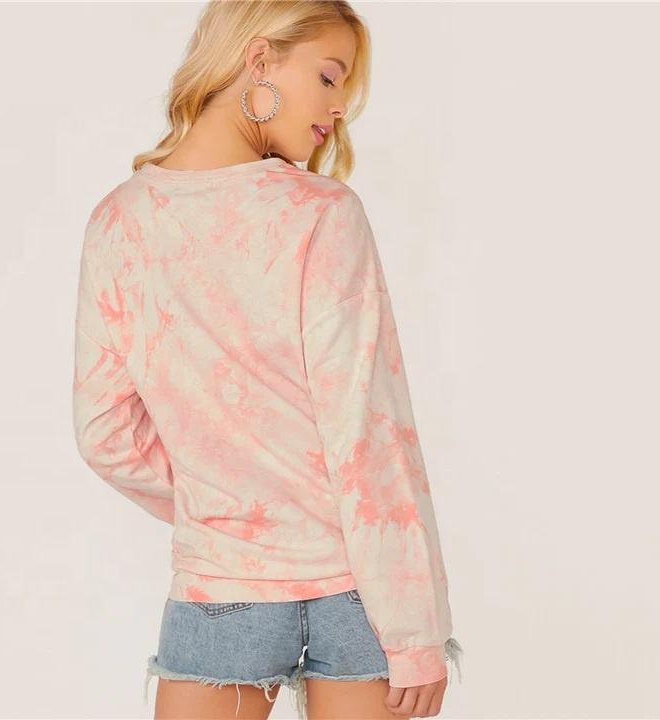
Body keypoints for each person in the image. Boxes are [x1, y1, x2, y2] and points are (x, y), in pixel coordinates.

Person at [71, 1, 463, 718]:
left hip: (220, 581)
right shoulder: (321, 213)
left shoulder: (119, 221)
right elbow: (369, 432)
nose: (339, 108)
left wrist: (222, 506)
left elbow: (105, 434)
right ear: (259, 61)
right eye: (329, 77)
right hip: (355, 588)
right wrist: (414, 633)